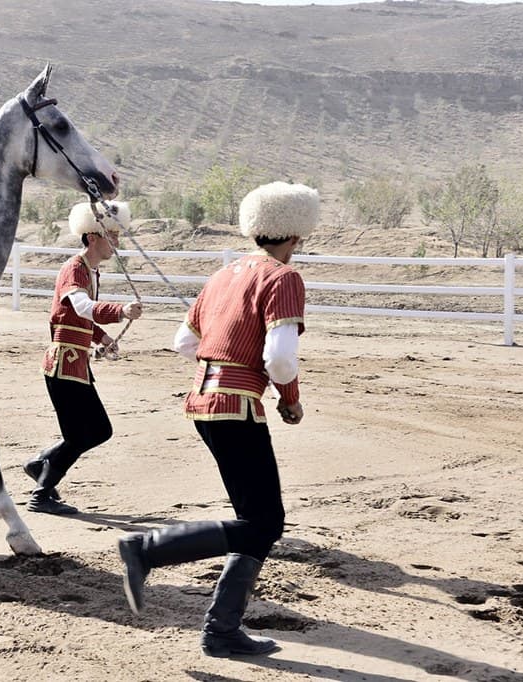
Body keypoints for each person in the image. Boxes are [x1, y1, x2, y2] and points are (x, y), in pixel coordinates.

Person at [117, 181, 318, 658]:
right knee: (266, 522)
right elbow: (281, 360)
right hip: (239, 406)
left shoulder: (223, 274)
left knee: (257, 519)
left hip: (203, 404)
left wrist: (223, 361)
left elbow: (183, 343)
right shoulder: (283, 278)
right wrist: (289, 398)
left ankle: (223, 629)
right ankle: (150, 551)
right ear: (296, 233)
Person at [24, 200, 143, 515]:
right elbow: (80, 307)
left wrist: (103, 338)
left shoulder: (91, 272)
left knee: (98, 430)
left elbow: (81, 320)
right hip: (64, 364)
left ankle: (41, 465)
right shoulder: (74, 269)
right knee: (81, 434)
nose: (116, 243)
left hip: (76, 365)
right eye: (112, 236)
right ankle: (41, 493)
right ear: (93, 237)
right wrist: (120, 312)